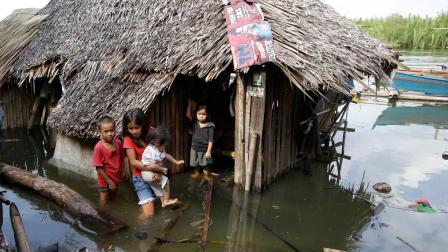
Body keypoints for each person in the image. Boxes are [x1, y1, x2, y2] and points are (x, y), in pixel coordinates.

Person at [122, 108, 165, 219]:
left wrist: (159, 172)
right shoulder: (128, 139)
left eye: (137, 127)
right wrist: (152, 168)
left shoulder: (153, 133)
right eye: (130, 128)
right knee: (149, 214)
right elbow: (133, 162)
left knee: (164, 204)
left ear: (144, 125)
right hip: (139, 177)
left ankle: (143, 206)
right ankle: (138, 231)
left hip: (155, 174)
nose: (134, 131)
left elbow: (160, 155)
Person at [141, 126, 183, 207]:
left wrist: (176, 162)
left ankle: (163, 203)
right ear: (157, 142)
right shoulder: (152, 151)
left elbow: (166, 155)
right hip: (148, 172)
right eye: (164, 144)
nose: (165, 146)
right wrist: (160, 171)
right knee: (166, 181)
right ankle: (167, 201)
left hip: (150, 172)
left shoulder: (157, 148)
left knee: (159, 188)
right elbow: (152, 165)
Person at [91, 116, 124, 209]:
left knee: (113, 198)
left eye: (112, 130)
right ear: (100, 132)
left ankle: (112, 212)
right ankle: (101, 216)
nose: (110, 134)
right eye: (106, 131)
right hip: (105, 180)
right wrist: (110, 182)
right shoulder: (99, 147)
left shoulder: (118, 143)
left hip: (116, 177)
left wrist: (124, 172)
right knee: (103, 201)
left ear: (115, 129)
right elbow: (98, 168)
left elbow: (122, 159)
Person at [190, 105, 216, 179]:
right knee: (196, 163)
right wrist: (192, 144)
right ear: (196, 114)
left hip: (205, 149)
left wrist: (208, 151)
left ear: (207, 115)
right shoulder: (195, 123)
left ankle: (206, 175)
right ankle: (197, 172)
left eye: (204, 114)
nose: (201, 116)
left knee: (205, 164)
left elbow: (211, 139)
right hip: (194, 147)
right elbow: (193, 134)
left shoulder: (210, 126)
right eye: (199, 114)